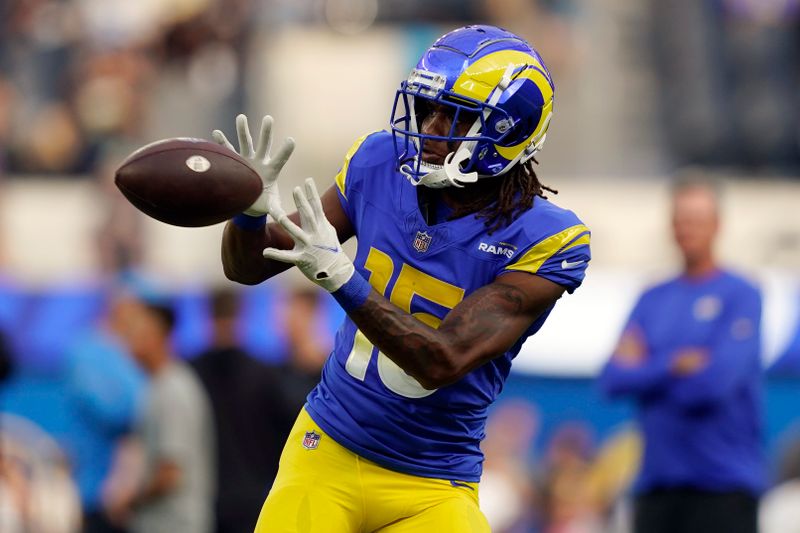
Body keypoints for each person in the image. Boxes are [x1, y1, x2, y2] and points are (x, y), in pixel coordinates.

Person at [215, 25, 591, 532]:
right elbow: (247, 268)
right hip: (328, 449)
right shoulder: (379, 163)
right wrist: (247, 212)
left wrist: (344, 280)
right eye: (428, 109)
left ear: (506, 130)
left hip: (432, 485)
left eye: (453, 116)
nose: (430, 127)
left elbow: (442, 359)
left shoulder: (545, 238)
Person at [598, 178, 764, 533]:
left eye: (697, 219)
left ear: (717, 225)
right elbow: (612, 380)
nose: (687, 229)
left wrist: (647, 370)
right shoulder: (652, 298)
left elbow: (712, 385)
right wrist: (675, 363)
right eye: (681, 219)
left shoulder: (742, 295)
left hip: (724, 487)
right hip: (657, 486)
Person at [106, 296, 215, 533]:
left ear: (156, 333)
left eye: (135, 329)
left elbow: (170, 472)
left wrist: (128, 500)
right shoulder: (157, 386)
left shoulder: (172, 389)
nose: (127, 339)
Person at [191, 287, 294, 533]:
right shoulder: (266, 373)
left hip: (206, 494)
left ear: (206, 315)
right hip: (254, 495)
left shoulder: (191, 371)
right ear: (242, 314)